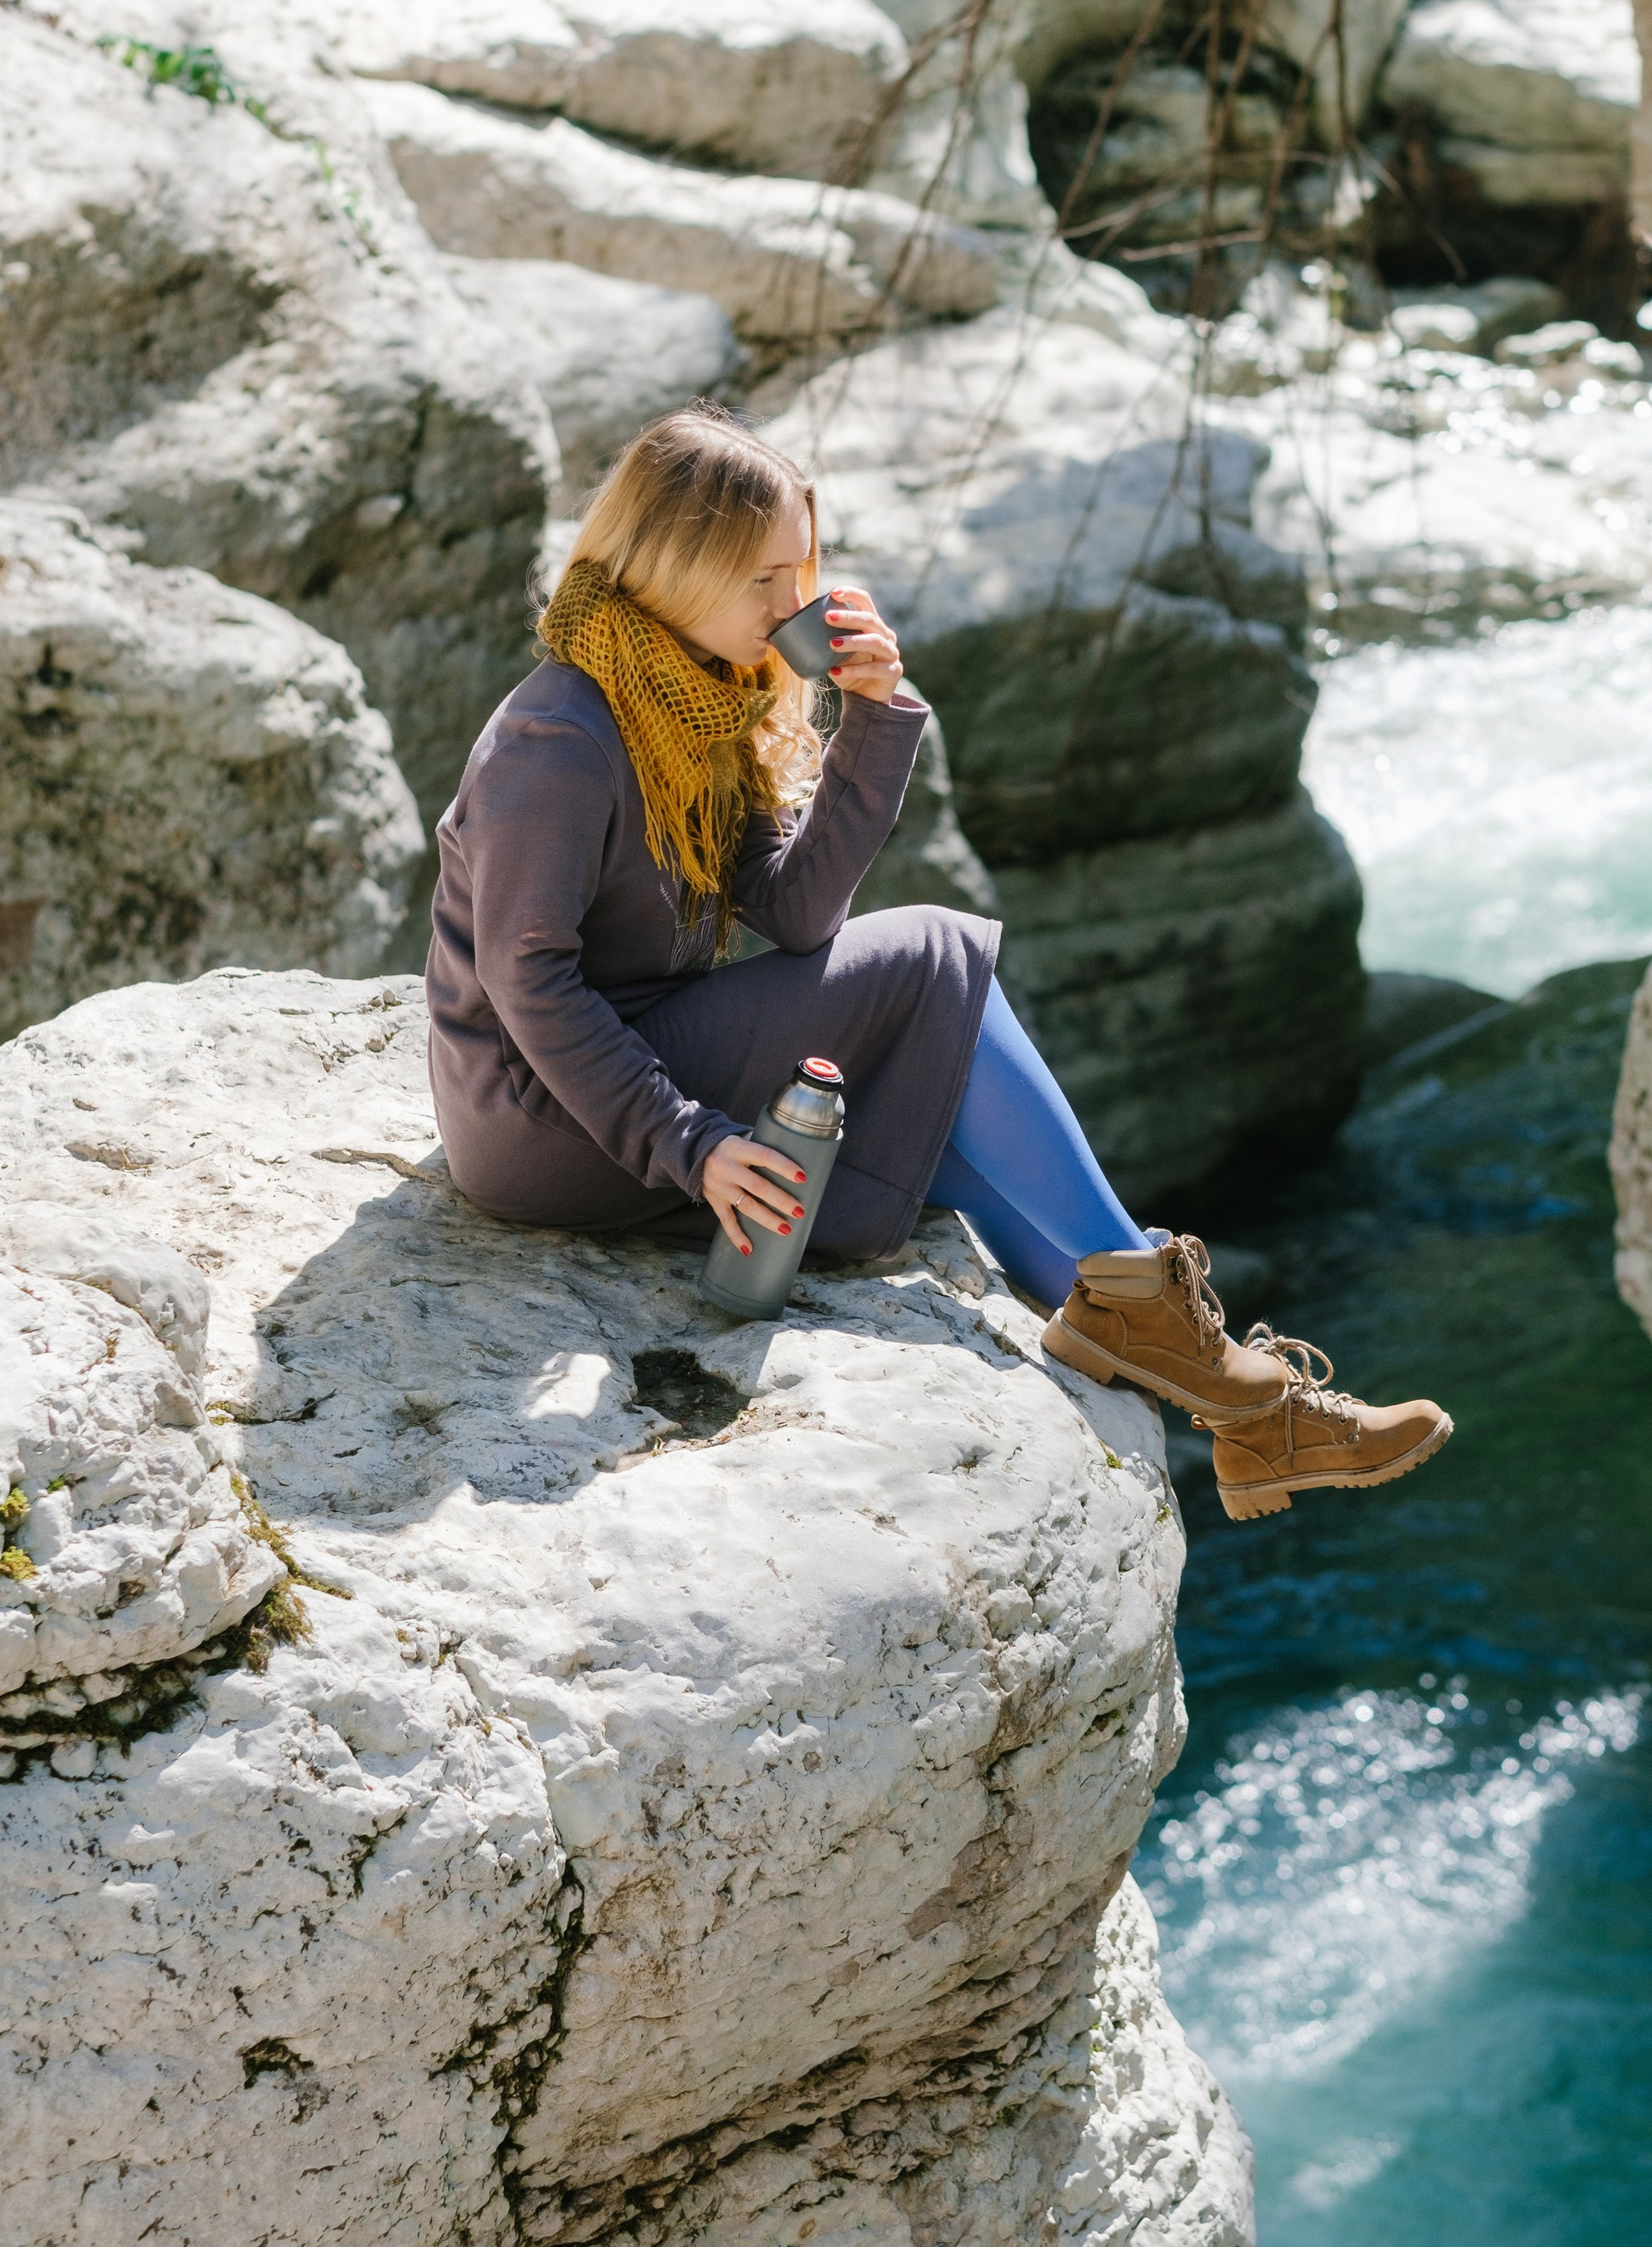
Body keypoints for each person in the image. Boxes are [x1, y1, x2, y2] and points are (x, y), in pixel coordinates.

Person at [426, 402, 1451, 1520]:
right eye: (765, 579)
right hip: (538, 1116)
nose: (793, 604)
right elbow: (531, 982)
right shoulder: (560, 738)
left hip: (626, 1056)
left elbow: (795, 912)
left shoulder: (699, 696)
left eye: (800, 573)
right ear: (677, 565)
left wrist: (874, 717)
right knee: (933, 953)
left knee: (945, 1122)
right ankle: (1197, 1354)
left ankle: (1237, 1409)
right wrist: (693, 1143)